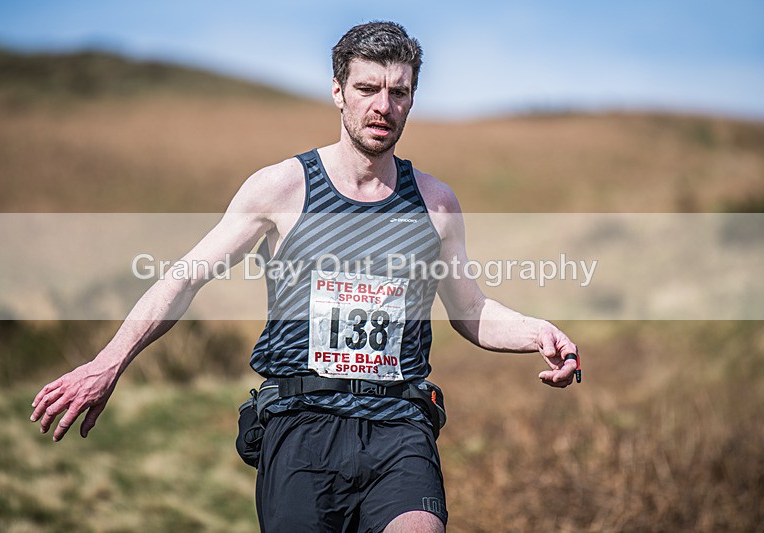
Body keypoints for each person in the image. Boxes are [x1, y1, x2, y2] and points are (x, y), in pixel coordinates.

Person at [30, 21, 579, 533]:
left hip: (400, 422)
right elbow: (182, 280)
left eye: (399, 92)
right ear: (338, 91)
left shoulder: (435, 203)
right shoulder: (281, 189)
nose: (382, 106)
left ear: (413, 97)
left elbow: (470, 310)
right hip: (301, 422)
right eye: (367, 89)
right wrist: (108, 363)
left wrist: (538, 332)